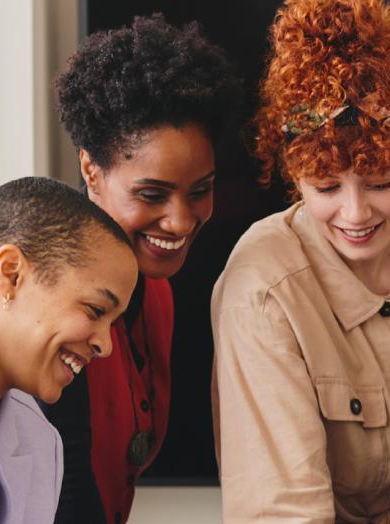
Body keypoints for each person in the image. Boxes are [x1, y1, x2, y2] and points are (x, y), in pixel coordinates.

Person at [211, 0, 390, 520]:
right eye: (326, 186)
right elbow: (283, 511)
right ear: (294, 173)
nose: (355, 214)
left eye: (380, 183)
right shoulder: (263, 287)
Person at [42, 14, 241, 524]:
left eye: (201, 190)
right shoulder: (51, 307)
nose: (180, 220)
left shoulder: (155, 294)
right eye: (152, 195)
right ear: (91, 169)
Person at [0, 177, 137, 524]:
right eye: (96, 310)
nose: (106, 345)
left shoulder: (41, 438)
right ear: (10, 274)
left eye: (113, 323)